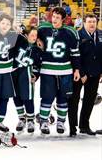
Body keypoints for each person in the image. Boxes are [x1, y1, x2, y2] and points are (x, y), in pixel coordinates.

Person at [37, 7, 81, 135]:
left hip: (65, 70)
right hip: (47, 70)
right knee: (47, 97)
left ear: (63, 19)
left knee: (63, 97)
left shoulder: (70, 32)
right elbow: (30, 35)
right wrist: (37, 40)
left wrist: (77, 70)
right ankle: (43, 121)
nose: (54, 19)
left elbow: (75, 53)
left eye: (57, 17)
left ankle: (61, 122)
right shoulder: (43, 28)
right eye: (53, 16)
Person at [68, 14, 102, 136]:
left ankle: (84, 125)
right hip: (79, 74)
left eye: (94, 21)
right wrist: (81, 73)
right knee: (74, 100)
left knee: (89, 100)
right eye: (89, 22)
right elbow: (74, 56)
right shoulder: (77, 35)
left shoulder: (101, 34)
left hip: (95, 73)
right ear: (84, 23)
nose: (92, 24)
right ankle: (73, 128)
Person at [12, 26, 42, 133]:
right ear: (26, 35)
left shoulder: (37, 49)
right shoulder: (19, 42)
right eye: (32, 35)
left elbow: (38, 64)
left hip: (27, 73)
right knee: (16, 96)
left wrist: (36, 75)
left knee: (28, 97)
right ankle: (21, 118)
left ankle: (30, 120)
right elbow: (15, 34)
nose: (34, 37)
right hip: (14, 72)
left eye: (36, 35)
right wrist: (18, 29)